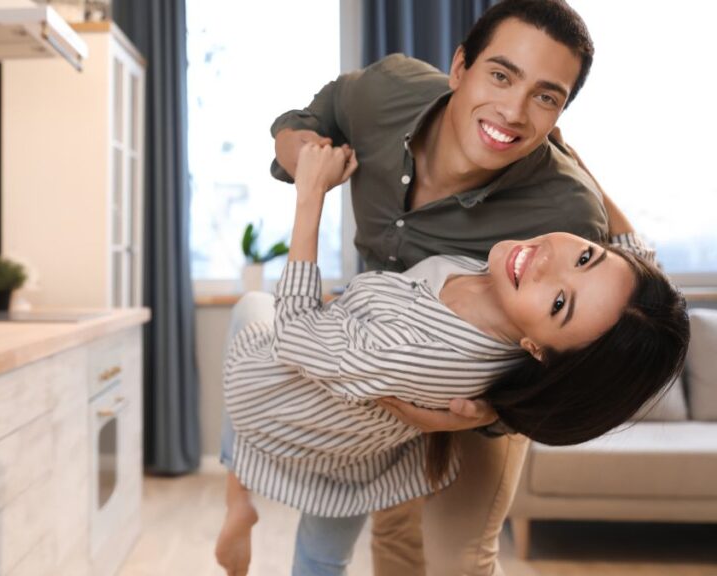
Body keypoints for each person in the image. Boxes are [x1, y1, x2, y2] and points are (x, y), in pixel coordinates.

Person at [214, 143, 688, 576]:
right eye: (585, 256)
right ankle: (241, 502)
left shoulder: (432, 355)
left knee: (250, 310)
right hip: (351, 450)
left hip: (282, 406)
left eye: (560, 304)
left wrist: (310, 195)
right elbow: (634, 273)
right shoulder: (530, 300)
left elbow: (295, 336)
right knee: (321, 554)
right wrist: (574, 162)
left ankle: (237, 494)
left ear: (539, 350)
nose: (547, 262)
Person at [269, 0, 617, 573]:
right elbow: (312, 116)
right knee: (396, 540)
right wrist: (304, 157)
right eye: (501, 75)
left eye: (546, 96)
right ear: (460, 67)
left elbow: (568, 370)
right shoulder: (386, 91)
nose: (512, 111)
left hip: (483, 396)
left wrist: (482, 413)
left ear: (561, 114)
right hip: (384, 356)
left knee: (458, 556)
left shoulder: (569, 213)